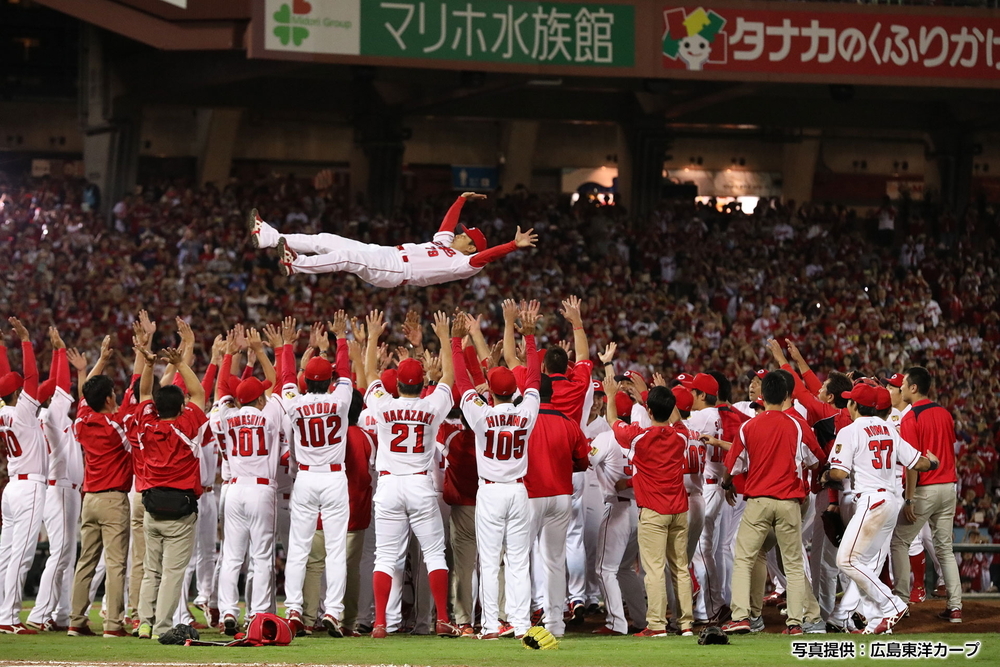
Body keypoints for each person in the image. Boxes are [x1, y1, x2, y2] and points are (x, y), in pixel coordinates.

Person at [362, 310, 460, 638]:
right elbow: (449, 376)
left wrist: (373, 336)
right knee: (434, 553)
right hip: (420, 483)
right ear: (422, 384)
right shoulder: (431, 406)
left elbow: (369, 375)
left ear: (399, 382)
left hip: (389, 484)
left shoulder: (383, 405)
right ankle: (443, 618)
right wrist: (444, 337)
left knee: (385, 556)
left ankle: (379, 623)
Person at [451, 302, 541, 640]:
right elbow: (533, 378)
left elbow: (462, 383)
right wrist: (529, 339)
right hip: (518, 491)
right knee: (518, 561)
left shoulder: (480, 414)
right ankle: (519, 624)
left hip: (489, 490)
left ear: (491, 389)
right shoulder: (527, 410)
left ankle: (490, 625)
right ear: (512, 391)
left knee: (488, 561)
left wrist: (455, 344)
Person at [825, 382, 939, 634]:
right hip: (891, 502)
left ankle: (892, 605)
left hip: (871, 502)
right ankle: (875, 622)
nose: (848, 404)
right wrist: (932, 463)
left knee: (845, 561)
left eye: (850, 401)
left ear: (855, 405)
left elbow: (839, 472)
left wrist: (826, 474)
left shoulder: (850, 430)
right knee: (866, 565)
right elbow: (917, 463)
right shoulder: (888, 427)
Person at [249, 193, 537, 286]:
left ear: (471, 246)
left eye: (464, 236)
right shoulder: (445, 244)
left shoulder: (465, 263)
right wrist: (461, 199)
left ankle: (297, 265)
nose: (459, 234)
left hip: (396, 271)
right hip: (386, 253)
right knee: (327, 239)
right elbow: (448, 222)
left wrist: (512, 246)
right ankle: (269, 237)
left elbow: (486, 257)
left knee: (348, 258)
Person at [721, 372, 816, 635]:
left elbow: (732, 465)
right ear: (786, 396)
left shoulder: (749, 426)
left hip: (759, 502)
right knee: (794, 563)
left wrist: (726, 483)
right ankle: (796, 623)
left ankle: (741, 616)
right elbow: (816, 460)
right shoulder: (797, 425)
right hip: (789, 502)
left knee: (744, 558)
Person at [278, 314, 354, 638]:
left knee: (298, 548)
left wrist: (286, 347)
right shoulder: (341, 398)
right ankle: (333, 611)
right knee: (336, 549)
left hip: (306, 479)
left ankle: (294, 608)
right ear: (331, 381)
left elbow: (285, 379)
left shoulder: (295, 402)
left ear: (306, 382)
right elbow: (347, 373)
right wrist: (341, 340)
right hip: (334, 478)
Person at [606, 379, 693, 637]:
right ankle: (686, 623)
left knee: (654, 570)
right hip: (679, 510)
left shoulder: (638, 437)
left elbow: (613, 421)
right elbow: (676, 419)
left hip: (654, 512)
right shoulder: (681, 436)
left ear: (649, 412)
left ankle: (656, 625)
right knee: (680, 568)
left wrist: (611, 395)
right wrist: (656, 394)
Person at [215, 329, 288, 635]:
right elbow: (279, 383)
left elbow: (221, 390)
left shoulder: (225, 415)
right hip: (260, 488)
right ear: (259, 398)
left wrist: (229, 357)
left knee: (231, 555)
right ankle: (257, 614)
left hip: (233, 489)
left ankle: (228, 612)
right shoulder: (269, 413)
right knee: (261, 555)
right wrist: (260, 351)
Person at [132, 346, 208, 640]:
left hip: (151, 507)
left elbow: (145, 396)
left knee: (151, 570)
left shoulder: (146, 426)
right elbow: (199, 394)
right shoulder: (186, 425)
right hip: (180, 510)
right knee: (172, 573)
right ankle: (161, 628)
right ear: (181, 408)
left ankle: (144, 623)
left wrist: (150, 367)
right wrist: (180, 363)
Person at [67, 336, 136, 637]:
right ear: (109, 399)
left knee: (86, 562)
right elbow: (137, 393)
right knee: (116, 562)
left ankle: (76, 620)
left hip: (89, 500)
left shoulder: (82, 421)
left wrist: (98, 363)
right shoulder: (115, 425)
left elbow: (86, 394)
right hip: (112, 500)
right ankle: (112, 625)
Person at [889, 366, 964, 622]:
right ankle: (955, 607)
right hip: (948, 487)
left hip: (925, 488)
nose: (900, 388)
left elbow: (912, 463)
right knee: (944, 548)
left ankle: (898, 603)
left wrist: (909, 498)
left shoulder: (910, 417)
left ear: (913, 387)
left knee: (899, 541)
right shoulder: (944, 413)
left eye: (903, 384)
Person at [26, 330, 83, 633]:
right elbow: (62, 386)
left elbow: (58, 388)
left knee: (67, 554)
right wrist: (59, 353)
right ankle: (39, 613)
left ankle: (61, 615)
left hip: (63, 489)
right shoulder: (51, 415)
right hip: (59, 487)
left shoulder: (44, 415)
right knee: (60, 553)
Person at [0, 318, 46, 635]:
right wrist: (25, 341)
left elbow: (7, 380)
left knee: (6, 554)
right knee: (22, 556)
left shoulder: (2, 411)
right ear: (18, 393)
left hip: (12, 487)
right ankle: (10, 616)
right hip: (29, 488)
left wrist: (2, 347)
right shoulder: (23, 412)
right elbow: (31, 376)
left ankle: (3, 611)